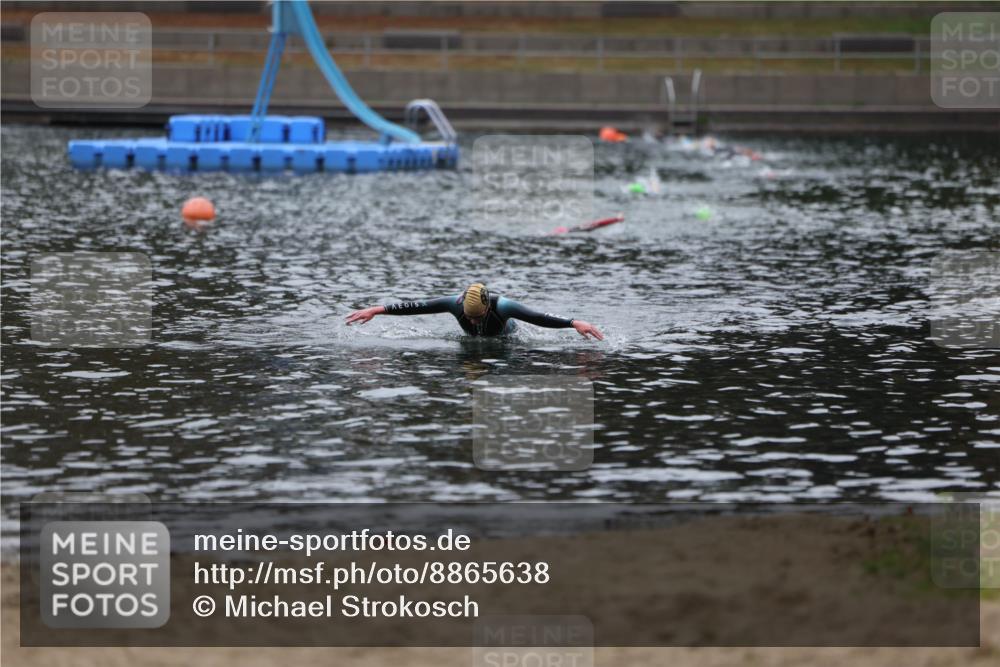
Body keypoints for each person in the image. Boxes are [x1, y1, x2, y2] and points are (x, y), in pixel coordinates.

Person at [346, 283, 604, 340]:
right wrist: (376, 309)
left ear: (488, 308)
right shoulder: (452, 303)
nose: (471, 319)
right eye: (468, 316)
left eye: (477, 317)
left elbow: (538, 317)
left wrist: (573, 322)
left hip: (508, 341)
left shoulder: (504, 306)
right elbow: (417, 306)